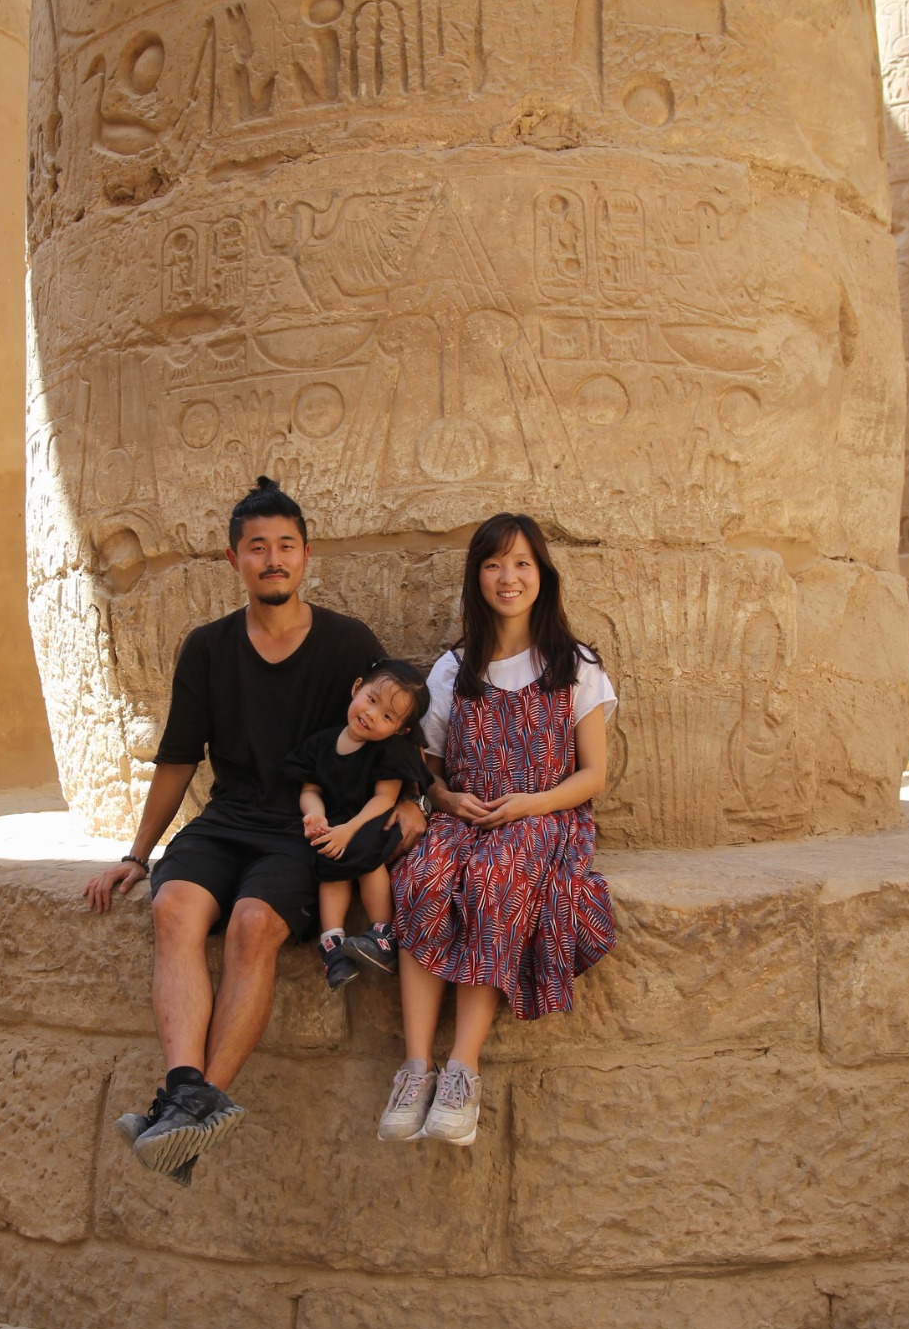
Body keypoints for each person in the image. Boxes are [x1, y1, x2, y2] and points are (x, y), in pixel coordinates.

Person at [82, 477, 424, 1184]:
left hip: (304, 833)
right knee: (173, 907)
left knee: (250, 925)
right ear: (234, 558)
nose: (274, 559)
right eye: (258, 547)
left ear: (306, 557)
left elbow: (392, 732)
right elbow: (178, 759)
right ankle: (190, 1100)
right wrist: (136, 854)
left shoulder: (347, 643)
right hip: (227, 820)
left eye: (287, 546)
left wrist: (406, 806)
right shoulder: (207, 648)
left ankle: (183, 1115)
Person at [378, 512, 617, 1146]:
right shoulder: (453, 670)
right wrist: (448, 801)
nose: (507, 578)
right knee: (422, 877)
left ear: (541, 575)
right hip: (468, 816)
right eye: (492, 564)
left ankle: (463, 1071)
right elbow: (425, 771)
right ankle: (415, 1067)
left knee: (497, 876)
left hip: (545, 818)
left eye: (520, 564)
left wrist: (527, 804)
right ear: (476, 577)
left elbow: (593, 775)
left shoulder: (576, 664)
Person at [283, 661, 432, 991]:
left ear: (400, 730)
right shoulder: (322, 743)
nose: (372, 715)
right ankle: (332, 944)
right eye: (372, 699)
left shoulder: (389, 751)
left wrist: (349, 829)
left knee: (366, 857)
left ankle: (382, 934)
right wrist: (316, 816)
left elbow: (383, 799)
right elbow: (310, 789)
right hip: (336, 824)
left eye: (388, 717)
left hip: (370, 822)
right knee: (329, 861)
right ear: (357, 687)